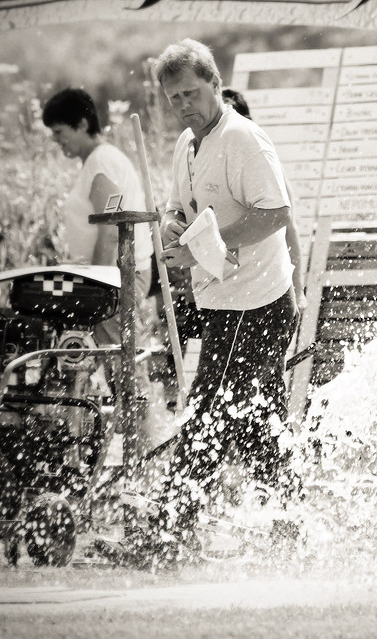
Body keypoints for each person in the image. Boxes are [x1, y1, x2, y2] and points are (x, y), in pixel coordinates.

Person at [104, 39, 298, 568]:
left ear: (216, 84)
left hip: (256, 301)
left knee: (210, 413)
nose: (184, 104)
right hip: (224, 300)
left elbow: (276, 214)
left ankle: (170, 532)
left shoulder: (244, 140)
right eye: (173, 97)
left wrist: (209, 247)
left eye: (191, 92)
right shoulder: (186, 143)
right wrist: (171, 230)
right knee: (257, 421)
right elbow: (173, 206)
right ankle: (293, 523)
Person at [42, 88, 155, 340]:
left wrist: (95, 285)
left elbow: (112, 231)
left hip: (116, 279)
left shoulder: (101, 162)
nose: (55, 140)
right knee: (106, 363)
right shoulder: (97, 161)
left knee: (120, 365)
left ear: (82, 124)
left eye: (59, 132)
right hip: (111, 276)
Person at [221, 87, 307, 318]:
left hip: (266, 287)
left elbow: (290, 230)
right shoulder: (203, 160)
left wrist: (298, 292)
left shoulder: (264, 165)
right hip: (224, 290)